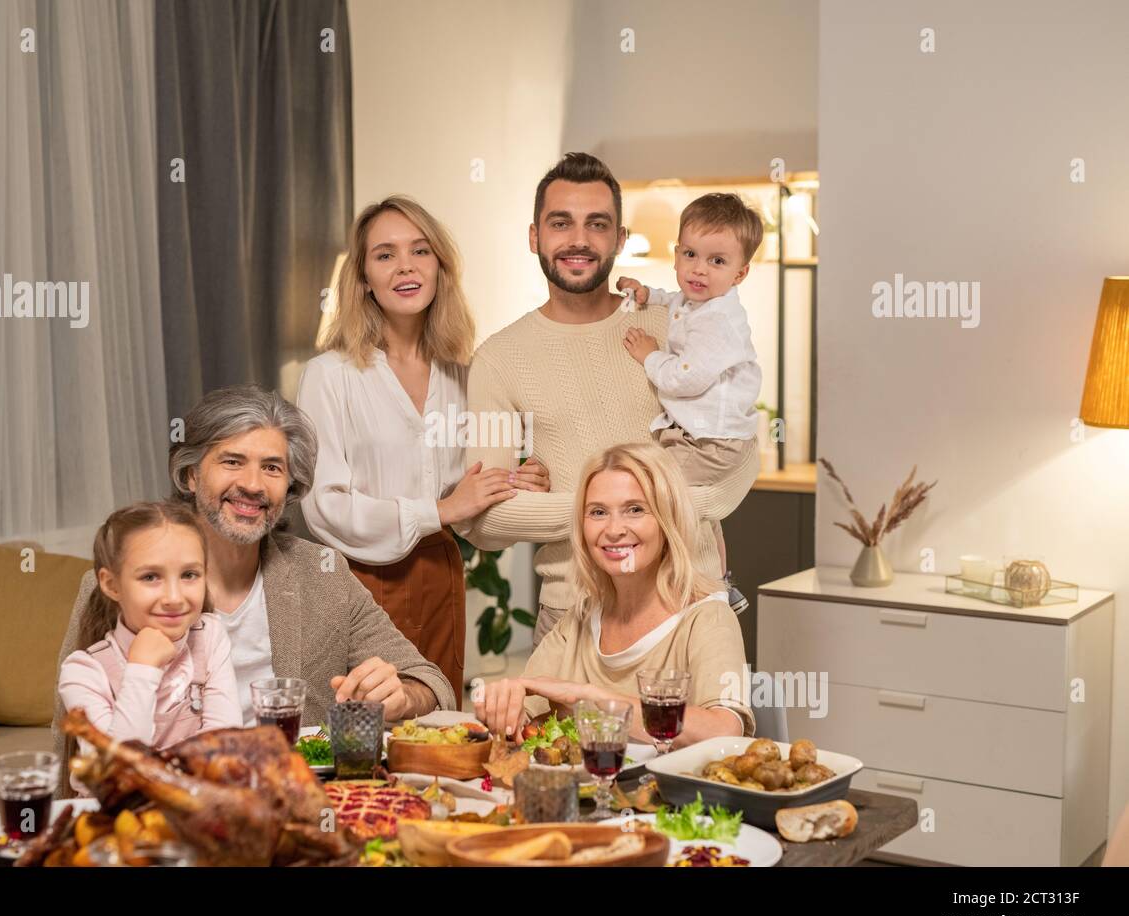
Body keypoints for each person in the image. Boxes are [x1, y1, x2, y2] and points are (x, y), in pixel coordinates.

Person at [51, 386, 455, 794]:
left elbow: (433, 683)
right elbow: (70, 737)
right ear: (191, 474)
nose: (252, 484)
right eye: (232, 461)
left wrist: (401, 697)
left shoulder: (323, 573)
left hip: (295, 802)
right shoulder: (124, 585)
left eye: (272, 468)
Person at [454, 152, 760, 645]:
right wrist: (619, 508)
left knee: (708, 726)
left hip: (688, 609)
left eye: (597, 224)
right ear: (535, 237)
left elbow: (739, 465)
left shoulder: (676, 326)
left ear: (619, 239)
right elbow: (486, 520)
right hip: (572, 617)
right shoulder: (497, 359)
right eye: (561, 223)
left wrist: (567, 505)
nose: (579, 240)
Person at [298, 196, 548, 703]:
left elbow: (476, 478)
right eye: (385, 254)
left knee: (438, 727)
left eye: (420, 251)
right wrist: (439, 509)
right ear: (363, 276)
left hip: (440, 573)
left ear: (440, 268)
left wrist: (520, 478)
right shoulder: (328, 376)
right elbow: (323, 506)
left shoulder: (466, 374)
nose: (406, 266)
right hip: (354, 579)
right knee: (360, 727)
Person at [474, 442, 755, 745]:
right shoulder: (580, 618)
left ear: (667, 519)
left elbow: (725, 730)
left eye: (635, 509)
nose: (614, 529)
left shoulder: (708, 617)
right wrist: (504, 705)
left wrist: (597, 701)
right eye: (598, 512)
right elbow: (528, 715)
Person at [616, 192, 764, 614]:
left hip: (712, 442)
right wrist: (646, 293)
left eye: (717, 262)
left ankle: (691, 587)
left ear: (740, 274)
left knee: (664, 502)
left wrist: (649, 354)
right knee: (701, 518)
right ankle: (722, 583)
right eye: (690, 254)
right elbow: (674, 301)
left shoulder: (720, 321)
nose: (699, 269)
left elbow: (686, 378)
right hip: (696, 435)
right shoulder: (696, 299)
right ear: (677, 253)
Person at [57, 500, 240, 789]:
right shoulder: (84, 672)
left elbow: (227, 749)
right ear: (111, 584)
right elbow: (118, 778)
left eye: (189, 575)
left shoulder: (209, 636)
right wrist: (142, 669)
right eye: (150, 577)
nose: (174, 597)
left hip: (194, 813)